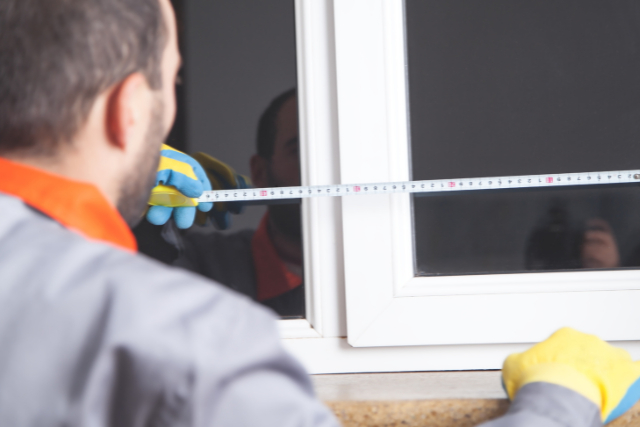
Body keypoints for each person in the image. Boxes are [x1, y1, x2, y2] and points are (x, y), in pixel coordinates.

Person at [1, 0, 640, 425]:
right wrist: (563, 397)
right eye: (172, 81)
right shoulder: (202, 342)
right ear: (131, 111)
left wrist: (111, 183)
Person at [171, 89, 305, 318]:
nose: (324, 171)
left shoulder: (386, 275)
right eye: (299, 151)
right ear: (260, 172)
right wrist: (137, 205)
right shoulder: (201, 264)